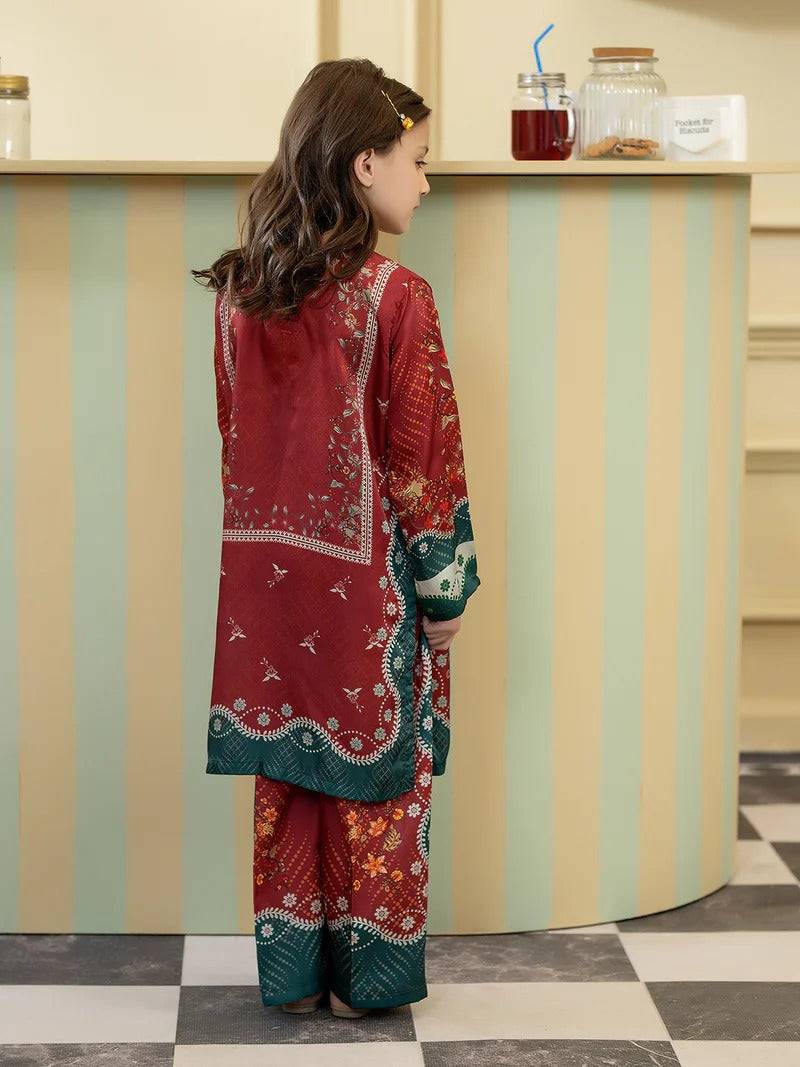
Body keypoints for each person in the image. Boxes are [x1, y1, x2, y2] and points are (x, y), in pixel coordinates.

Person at [191, 57, 480, 1019]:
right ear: (365, 163)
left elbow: (239, 444)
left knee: (292, 789)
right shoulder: (398, 299)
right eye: (418, 158)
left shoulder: (238, 300)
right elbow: (423, 467)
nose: (426, 181)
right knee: (380, 792)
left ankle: (296, 976)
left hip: (269, 600)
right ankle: (370, 985)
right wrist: (443, 598)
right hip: (366, 597)